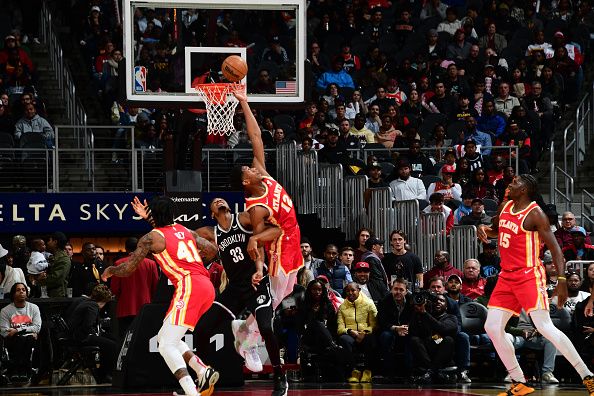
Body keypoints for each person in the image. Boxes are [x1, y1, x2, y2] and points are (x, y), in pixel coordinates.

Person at [478, 174, 594, 395]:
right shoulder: (504, 206)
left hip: (529, 274)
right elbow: (497, 230)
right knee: (491, 327)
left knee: (544, 326)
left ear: (524, 190)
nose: (510, 184)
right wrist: (483, 229)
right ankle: (520, 382)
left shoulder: (535, 213)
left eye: (515, 183)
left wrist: (561, 281)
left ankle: (587, 375)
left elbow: (556, 249)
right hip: (507, 275)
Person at [101, 196, 220, 396]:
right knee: (169, 337)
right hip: (206, 286)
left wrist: (111, 269)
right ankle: (202, 370)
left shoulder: (149, 238)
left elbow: (128, 269)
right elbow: (212, 249)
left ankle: (192, 392)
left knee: (165, 344)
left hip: (189, 285)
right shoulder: (186, 231)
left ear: (153, 216)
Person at [229, 86, 303, 395]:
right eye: (247, 168)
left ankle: (244, 329)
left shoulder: (262, 174)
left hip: (294, 244)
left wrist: (245, 103)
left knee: (284, 295)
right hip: (277, 254)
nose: (251, 164)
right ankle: (246, 341)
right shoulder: (256, 208)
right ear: (247, 181)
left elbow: (257, 136)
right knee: (270, 306)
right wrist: (259, 267)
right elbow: (258, 239)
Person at [194, 197, 285, 383]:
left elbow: (273, 231)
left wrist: (258, 254)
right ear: (212, 213)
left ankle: (279, 376)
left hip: (256, 283)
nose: (219, 200)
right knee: (202, 329)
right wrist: (154, 221)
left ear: (229, 206)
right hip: (234, 288)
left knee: (266, 327)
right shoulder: (211, 233)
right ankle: (204, 375)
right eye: (214, 201)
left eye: (221, 199)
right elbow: (180, 234)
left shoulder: (243, 218)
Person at [66, 284, 117, 383]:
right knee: (112, 346)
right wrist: (96, 334)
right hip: (81, 337)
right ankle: (104, 374)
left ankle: (103, 373)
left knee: (113, 339)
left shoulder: (87, 303)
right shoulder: (93, 306)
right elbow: (88, 326)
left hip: (78, 334)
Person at [110, 237, 159, 339]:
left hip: (124, 308)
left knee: (125, 340)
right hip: (145, 307)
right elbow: (156, 287)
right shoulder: (151, 263)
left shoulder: (118, 264)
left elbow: (115, 289)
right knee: (144, 338)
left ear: (126, 249)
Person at [337, 282, 377, 383]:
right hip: (351, 334)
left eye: (353, 290)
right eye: (348, 291)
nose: (350, 293)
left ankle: (367, 372)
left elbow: (375, 324)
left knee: (371, 339)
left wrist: (364, 332)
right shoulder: (342, 307)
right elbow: (340, 327)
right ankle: (354, 371)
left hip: (366, 333)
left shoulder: (369, 303)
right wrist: (350, 331)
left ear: (359, 290)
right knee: (343, 339)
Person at [0, 283, 41, 383]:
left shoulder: (33, 308)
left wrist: (17, 330)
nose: (22, 291)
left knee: (26, 339)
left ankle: (22, 370)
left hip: (29, 340)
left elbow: (37, 327)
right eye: (18, 290)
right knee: (20, 339)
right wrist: (29, 330)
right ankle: (18, 370)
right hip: (13, 341)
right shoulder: (5, 311)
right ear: (13, 294)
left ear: (27, 293)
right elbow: (4, 331)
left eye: (23, 290)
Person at [45, 231, 71, 298]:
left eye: (49, 240)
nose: (47, 243)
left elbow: (56, 279)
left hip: (57, 298)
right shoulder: (53, 257)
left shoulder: (63, 259)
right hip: (49, 296)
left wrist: (40, 280)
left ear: (55, 242)